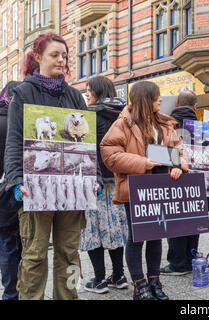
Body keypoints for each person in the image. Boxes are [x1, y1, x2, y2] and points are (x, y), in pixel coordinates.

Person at [3, 32, 100, 300]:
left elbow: (88, 145)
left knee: (69, 254)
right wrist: (15, 182)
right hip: (35, 190)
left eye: (65, 56)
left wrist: (96, 179)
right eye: (54, 55)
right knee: (34, 255)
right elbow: (14, 142)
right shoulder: (23, 93)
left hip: (72, 190)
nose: (61, 60)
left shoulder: (75, 97)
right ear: (38, 57)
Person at [100, 80, 189, 300]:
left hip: (161, 186)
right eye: (157, 96)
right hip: (137, 187)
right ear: (145, 99)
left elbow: (179, 149)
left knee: (157, 235)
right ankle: (139, 285)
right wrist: (142, 162)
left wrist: (177, 166)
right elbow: (109, 151)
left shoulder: (165, 123)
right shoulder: (123, 123)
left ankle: (154, 281)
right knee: (137, 236)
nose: (160, 99)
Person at [79, 76, 129, 293]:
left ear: (98, 91)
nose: (87, 94)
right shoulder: (125, 114)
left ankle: (99, 279)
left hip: (96, 183)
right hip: (119, 181)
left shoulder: (90, 115)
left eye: (89, 90)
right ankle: (119, 275)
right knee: (115, 229)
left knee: (94, 231)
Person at [160, 90, 200, 276]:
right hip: (195, 176)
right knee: (193, 219)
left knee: (175, 220)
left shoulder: (166, 124)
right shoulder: (202, 126)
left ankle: (177, 263)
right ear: (195, 107)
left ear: (176, 104)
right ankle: (191, 258)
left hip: (173, 174)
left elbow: (158, 150)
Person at [0, 81, 22, 300]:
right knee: (26, 243)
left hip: (2, 192)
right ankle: (25, 288)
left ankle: (10, 293)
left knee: (6, 245)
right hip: (23, 191)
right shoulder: (24, 122)